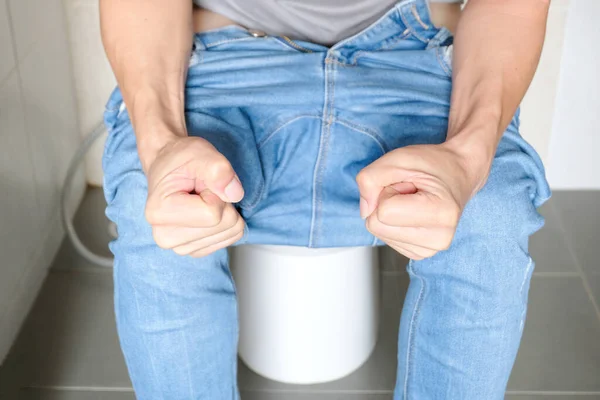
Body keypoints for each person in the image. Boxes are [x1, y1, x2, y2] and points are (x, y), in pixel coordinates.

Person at [99, 0, 551, 398]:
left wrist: (466, 159)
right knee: (155, 206)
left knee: (489, 214)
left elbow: (510, 6)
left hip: (415, 55)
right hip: (226, 58)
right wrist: (162, 148)